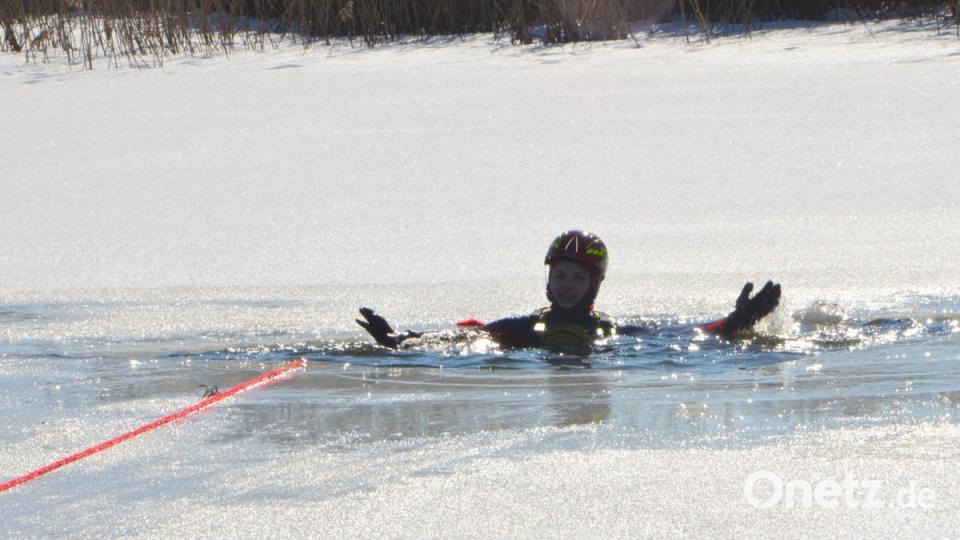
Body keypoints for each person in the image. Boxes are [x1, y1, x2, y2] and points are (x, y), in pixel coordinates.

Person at [356, 230, 781, 355]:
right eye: (561, 276)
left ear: (594, 286)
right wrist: (404, 340)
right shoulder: (529, 326)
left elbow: (681, 337)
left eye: (578, 279)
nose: (568, 286)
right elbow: (470, 338)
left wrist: (736, 321)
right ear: (548, 280)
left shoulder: (609, 331)